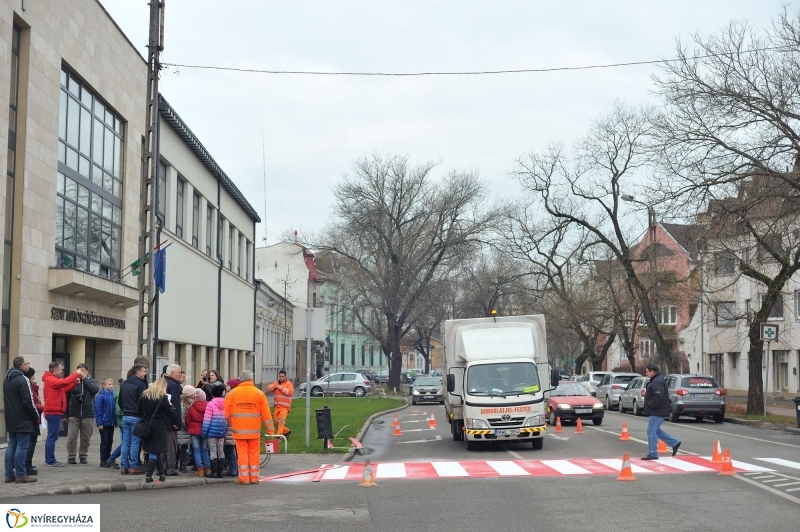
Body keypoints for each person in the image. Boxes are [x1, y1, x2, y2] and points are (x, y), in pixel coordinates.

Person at [224, 370, 274, 485]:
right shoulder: (259, 393)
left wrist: (233, 422)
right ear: (252, 379)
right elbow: (266, 414)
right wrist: (270, 430)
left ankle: (244, 478)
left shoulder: (232, 393)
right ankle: (254, 477)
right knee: (253, 453)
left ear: (240, 380)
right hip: (254, 430)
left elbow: (226, 413)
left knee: (241, 453)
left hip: (239, 429)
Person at [42, 361, 84, 467]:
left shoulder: (52, 380)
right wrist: (76, 373)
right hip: (53, 412)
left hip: (55, 412)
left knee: (52, 436)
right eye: (60, 369)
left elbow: (63, 388)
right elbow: (64, 383)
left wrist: (74, 383)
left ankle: (49, 459)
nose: (61, 371)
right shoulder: (50, 379)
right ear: (55, 370)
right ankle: (50, 460)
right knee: (52, 436)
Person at [4, 357, 38, 484]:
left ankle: (8, 474)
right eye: (27, 363)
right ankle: (21, 474)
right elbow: (28, 401)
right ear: (22, 366)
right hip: (23, 418)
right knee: (22, 446)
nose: (28, 366)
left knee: (12, 445)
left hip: (10, 417)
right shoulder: (23, 379)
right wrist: (35, 416)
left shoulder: (6, 379)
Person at [642, 363, 681, 460]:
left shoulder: (657, 381)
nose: (646, 374)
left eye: (647, 372)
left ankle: (653, 453)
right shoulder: (656, 380)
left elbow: (659, 396)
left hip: (657, 411)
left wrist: (650, 405)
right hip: (658, 410)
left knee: (651, 432)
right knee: (656, 431)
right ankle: (674, 443)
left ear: (652, 371)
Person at [137, 377, 171, 483]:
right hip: (159, 427)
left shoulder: (145, 395)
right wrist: (170, 406)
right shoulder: (162, 397)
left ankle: (162, 475)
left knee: (156, 452)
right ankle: (148, 475)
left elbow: (138, 411)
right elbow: (170, 413)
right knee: (155, 453)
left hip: (147, 427)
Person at [66, 364, 99, 465]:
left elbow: (95, 389)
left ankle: (83, 456)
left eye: (83, 370)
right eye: (79, 370)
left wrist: (85, 380)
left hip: (87, 413)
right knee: (72, 437)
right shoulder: (72, 381)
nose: (80, 372)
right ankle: (71, 456)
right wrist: (65, 413)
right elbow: (66, 396)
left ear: (87, 372)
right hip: (74, 413)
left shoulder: (92, 381)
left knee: (86, 437)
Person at [118, 363, 148, 475]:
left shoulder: (124, 384)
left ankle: (124, 466)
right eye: (144, 371)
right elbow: (143, 401)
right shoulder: (140, 384)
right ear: (137, 372)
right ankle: (134, 466)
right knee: (135, 442)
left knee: (125, 442)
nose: (145, 373)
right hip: (136, 416)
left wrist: (125, 409)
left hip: (125, 415)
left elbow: (120, 401)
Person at [202, 382, 227, 478]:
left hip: (212, 432)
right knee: (221, 450)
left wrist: (204, 433)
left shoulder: (210, 404)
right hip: (222, 431)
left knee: (212, 451)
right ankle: (221, 472)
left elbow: (207, 420)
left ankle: (215, 472)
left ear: (212, 394)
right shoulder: (225, 403)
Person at [163, 364, 183, 476]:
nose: (180, 374)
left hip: (162, 419)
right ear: (172, 373)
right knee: (171, 446)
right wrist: (177, 422)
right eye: (178, 372)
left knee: (164, 446)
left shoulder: (163, 382)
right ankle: (170, 469)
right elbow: (175, 405)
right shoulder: (173, 386)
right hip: (170, 420)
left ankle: (163, 467)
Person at [185, 387, 209, 477]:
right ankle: (207, 468)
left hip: (194, 431)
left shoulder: (192, 407)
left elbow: (187, 419)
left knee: (196, 450)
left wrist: (190, 427)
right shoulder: (208, 406)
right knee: (204, 449)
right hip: (204, 430)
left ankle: (200, 469)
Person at [24, 367, 44, 476]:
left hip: (34, 417)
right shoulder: (28, 387)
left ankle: (29, 464)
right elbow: (31, 403)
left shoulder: (33, 387)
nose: (34, 378)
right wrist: (42, 407)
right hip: (32, 418)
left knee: (31, 442)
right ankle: (27, 465)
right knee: (30, 442)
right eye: (33, 377)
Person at [94, 378, 117, 467]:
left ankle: (108, 458)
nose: (111, 386)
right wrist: (99, 423)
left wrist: (115, 422)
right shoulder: (101, 396)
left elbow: (114, 409)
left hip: (110, 422)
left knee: (110, 441)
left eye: (112, 384)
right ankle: (103, 459)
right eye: (109, 384)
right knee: (104, 441)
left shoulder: (112, 395)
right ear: (103, 385)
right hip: (104, 423)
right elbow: (98, 411)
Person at [265, 370, 293, 437]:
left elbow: (289, 392)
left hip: (285, 407)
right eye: (280, 376)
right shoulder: (277, 383)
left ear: (285, 376)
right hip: (277, 406)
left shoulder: (289, 384)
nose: (281, 378)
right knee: (276, 422)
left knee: (281, 422)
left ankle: (279, 437)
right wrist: (272, 386)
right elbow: (269, 388)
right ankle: (286, 431)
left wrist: (280, 387)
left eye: (282, 376)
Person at [177, 385, 195, 473]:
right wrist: (187, 427)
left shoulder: (187, 402)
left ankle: (180, 464)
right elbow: (182, 418)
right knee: (183, 447)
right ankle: (182, 465)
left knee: (182, 447)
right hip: (183, 429)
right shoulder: (184, 404)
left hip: (183, 429)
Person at [223, 379, 240, 477]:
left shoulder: (230, 397)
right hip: (234, 427)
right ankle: (235, 468)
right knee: (233, 450)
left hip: (230, 428)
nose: (226, 387)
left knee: (231, 450)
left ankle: (233, 469)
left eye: (228, 386)